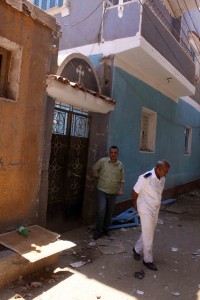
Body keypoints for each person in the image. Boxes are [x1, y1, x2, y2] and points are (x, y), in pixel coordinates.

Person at [132, 160, 170, 271]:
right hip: (145, 208)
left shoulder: (162, 179)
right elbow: (134, 191)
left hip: (155, 208)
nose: (166, 173)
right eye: (165, 171)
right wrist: (135, 204)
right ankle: (147, 260)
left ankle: (137, 249)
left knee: (148, 231)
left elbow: (159, 193)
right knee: (149, 236)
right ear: (159, 168)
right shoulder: (145, 177)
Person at [92, 145, 125, 240]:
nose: (113, 154)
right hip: (102, 190)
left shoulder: (120, 165)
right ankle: (98, 231)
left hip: (113, 192)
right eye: (111, 152)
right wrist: (99, 177)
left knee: (109, 212)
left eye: (115, 153)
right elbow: (94, 169)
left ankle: (106, 230)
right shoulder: (103, 161)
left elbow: (122, 178)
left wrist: (121, 189)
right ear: (109, 153)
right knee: (101, 211)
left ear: (117, 154)